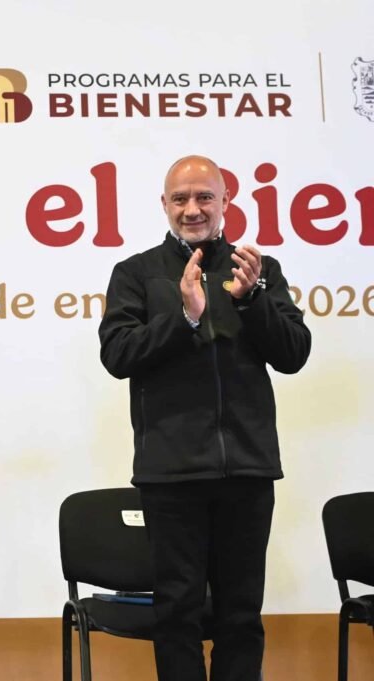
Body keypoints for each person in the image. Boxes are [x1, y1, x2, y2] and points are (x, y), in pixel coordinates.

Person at [98, 155, 311, 681]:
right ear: (164, 205)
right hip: (171, 474)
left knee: (241, 616)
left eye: (204, 197)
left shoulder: (258, 270)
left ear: (225, 202)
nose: (192, 209)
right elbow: (118, 355)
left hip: (248, 470)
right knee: (177, 615)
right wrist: (185, 317)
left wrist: (253, 299)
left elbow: (293, 353)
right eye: (180, 199)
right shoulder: (136, 273)